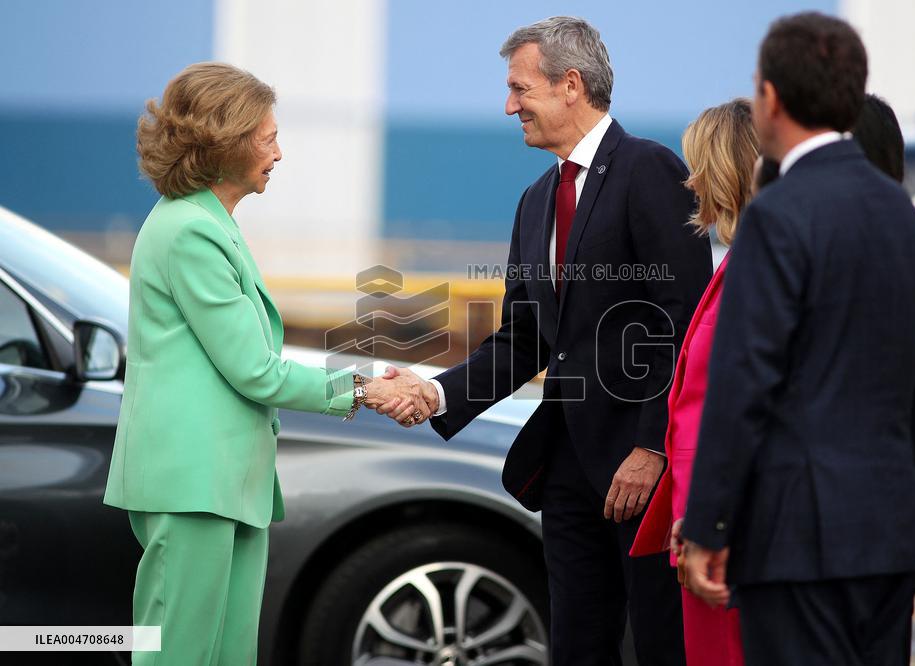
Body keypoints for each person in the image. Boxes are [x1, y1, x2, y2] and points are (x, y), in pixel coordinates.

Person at [381, 16, 713, 665]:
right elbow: (523, 340)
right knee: (577, 647)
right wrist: (436, 394)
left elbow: (681, 319)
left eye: (519, 88)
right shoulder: (535, 201)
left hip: (640, 475)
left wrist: (652, 446)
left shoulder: (649, 168)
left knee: (660, 646)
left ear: (569, 84)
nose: (510, 107)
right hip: (565, 473)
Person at [103, 62, 406, 665]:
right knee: (179, 655)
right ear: (227, 141)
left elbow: (250, 360)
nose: (279, 152)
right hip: (193, 480)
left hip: (222, 481)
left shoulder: (208, 225)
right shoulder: (192, 231)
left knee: (225, 655)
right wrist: (364, 389)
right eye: (267, 138)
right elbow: (254, 369)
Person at [679, 12, 915, 665]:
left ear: (771, 98)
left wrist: (711, 523)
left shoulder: (779, 214)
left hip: (800, 537)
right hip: (892, 532)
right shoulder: (905, 219)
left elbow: (745, 382)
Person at [631, 99, 757, 666]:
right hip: (704, 523)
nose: (691, 180)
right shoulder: (741, 262)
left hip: (724, 532)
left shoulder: (760, 272)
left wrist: (708, 518)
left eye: (699, 164)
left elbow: (737, 409)